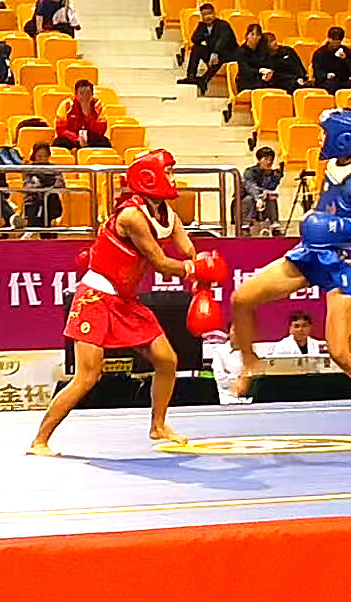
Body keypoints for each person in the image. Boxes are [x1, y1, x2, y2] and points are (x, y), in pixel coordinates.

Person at [230, 109, 351, 442]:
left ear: (343, 138)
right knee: (242, 298)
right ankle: (250, 363)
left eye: (324, 133)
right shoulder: (333, 165)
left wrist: (332, 226)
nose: (320, 138)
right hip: (313, 252)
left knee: (339, 350)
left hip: (346, 261)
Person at [31, 149, 210, 456]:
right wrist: (193, 269)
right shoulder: (131, 216)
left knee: (167, 360)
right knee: (87, 377)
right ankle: (40, 440)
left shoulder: (168, 214)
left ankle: (158, 425)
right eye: (167, 172)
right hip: (95, 297)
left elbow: (188, 251)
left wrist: (203, 272)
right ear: (149, 177)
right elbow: (161, 262)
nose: (172, 177)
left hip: (126, 300)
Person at [178, 3, 237, 90]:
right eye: (204, 15)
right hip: (212, 52)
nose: (208, 17)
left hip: (228, 53)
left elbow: (222, 41)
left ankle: (204, 79)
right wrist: (204, 37)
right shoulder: (202, 26)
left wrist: (215, 53)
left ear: (214, 14)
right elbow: (194, 38)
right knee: (196, 48)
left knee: (220, 55)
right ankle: (191, 76)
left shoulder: (223, 25)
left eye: (209, 13)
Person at [53, 79, 110, 149]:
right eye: (81, 93)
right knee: (58, 142)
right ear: (76, 95)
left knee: (105, 142)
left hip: (91, 138)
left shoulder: (98, 105)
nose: (85, 97)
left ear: (92, 94)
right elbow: (60, 128)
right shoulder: (67, 105)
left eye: (88, 93)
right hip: (72, 138)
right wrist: (76, 138)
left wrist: (87, 114)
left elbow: (101, 129)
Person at [21, 141, 63, 236]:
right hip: (33, 201)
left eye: (45, 156)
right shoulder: (29, 169)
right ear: (34, 155)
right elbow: (27, 186)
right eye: (39, 156)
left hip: (50, 201)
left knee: (50, 200)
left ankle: (48, 231)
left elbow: (60, 183)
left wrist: (49, 188)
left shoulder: (54, 169)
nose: (42, 159)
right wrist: (38, 187)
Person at [241, 146, 282, 235]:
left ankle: (274, 225)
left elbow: (271, 188)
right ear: (259, 160)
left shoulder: (273, 174)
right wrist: (259, 198)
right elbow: (251, 187)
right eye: (266, 159)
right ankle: (245, 225)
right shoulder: (250, 172)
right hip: (249, 198)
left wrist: (277, 177)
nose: (269, 162)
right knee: (249, 199)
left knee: (271, 199)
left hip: (264, 198)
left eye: (271, 159)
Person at [208, 324, 250, 404]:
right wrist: (241, 379)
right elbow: (220, 379)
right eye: (235, 330)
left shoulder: (250, 352)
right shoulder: (219, 352)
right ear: (228, 333)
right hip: (227, 400)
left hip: (249, 400)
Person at [312, 26, 351, 94]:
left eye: (338, 42)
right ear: (329, 39)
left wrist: (345, 59)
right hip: (325, 81)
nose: (335, 44)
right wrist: (326, 75)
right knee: (331, 86)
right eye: (333, 41)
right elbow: (317, 71)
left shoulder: (347, 52)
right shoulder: (320, 53)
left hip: (342, 81)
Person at [233, 24, 266, 91]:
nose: (255, 37)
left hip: (260, 78)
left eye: (258, 35)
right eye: (252, 34)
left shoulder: (262, 51)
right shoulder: (241, 51)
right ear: (247, 36)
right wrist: (259, 71)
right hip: (246, 81)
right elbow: (245, 69)